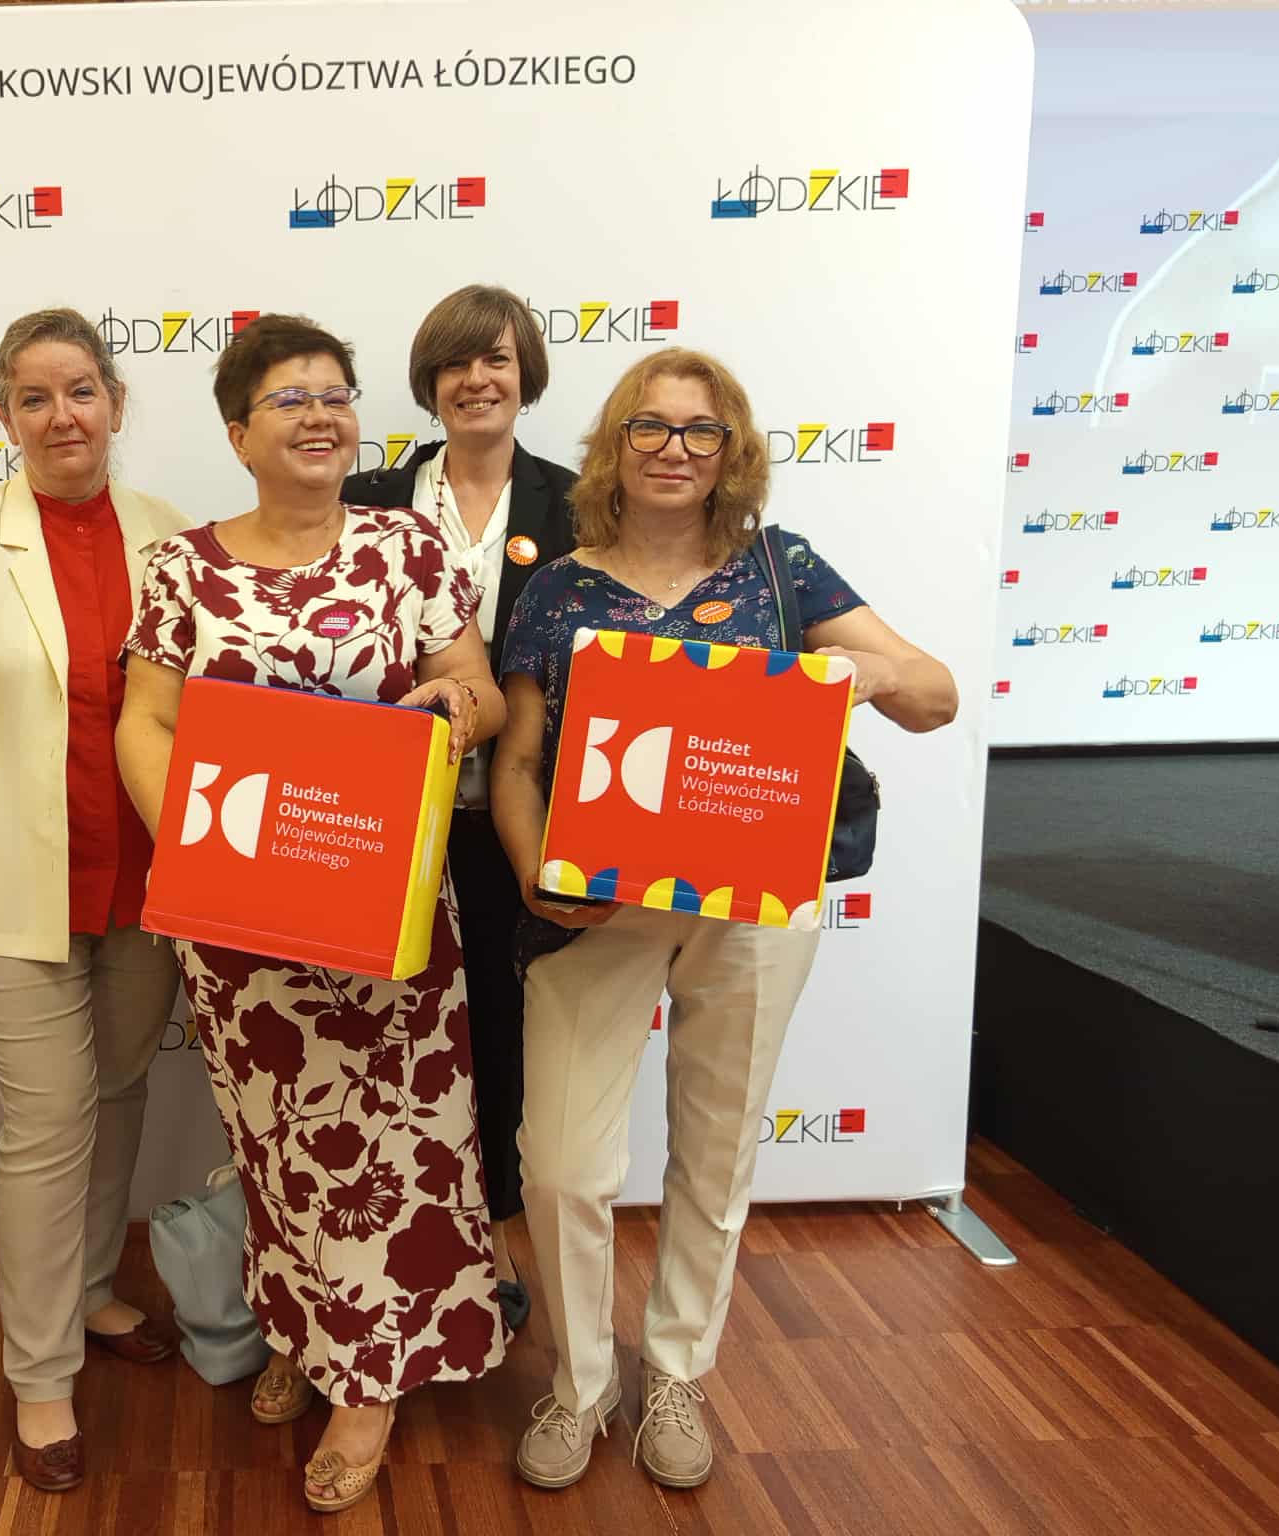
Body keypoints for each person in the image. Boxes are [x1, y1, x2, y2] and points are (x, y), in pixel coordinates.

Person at [489, 346, 958, 1493]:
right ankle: (579, 1382)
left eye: (699, 430)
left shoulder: (780, 570)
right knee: (560, 1166)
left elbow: (934, 696)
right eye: (648, 427)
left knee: (715, 1145)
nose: (673, 449)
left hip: (749, 906)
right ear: (612, 446)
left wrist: (859, 676)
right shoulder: (555, 588)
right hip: (595, 907)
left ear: (730, 451)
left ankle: (675, 1370)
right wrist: (530, 870)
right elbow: (517, 761)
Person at [117, 314, 508, 1515]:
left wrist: (452, 707)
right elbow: (145, 722)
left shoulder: (404, 549)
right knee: (279, 1149)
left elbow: (479, 690)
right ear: (238, 434)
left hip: (388, 920)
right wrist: (199, 857)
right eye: (289, 399)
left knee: (393, 1148)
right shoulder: (181, 568)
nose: (319, 415)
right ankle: (300, 1326)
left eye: (335, 395)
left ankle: (368, 1382)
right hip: (239, 930)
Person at [0, 308, 188, 1495]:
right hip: (13, 890)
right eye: (34, 397)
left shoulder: (173, 535)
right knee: (47, 1125)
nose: (60, 416)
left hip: (149, 883)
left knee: (117, 1095)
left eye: (79, 391)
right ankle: (39, 1376)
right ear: (3, 416)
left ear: (114, 401)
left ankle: (91, 1291)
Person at [342, 283, 576, 1330]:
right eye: (454, 363)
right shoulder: (365, 497)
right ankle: (381, 1270)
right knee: (382, 1051)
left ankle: (496, 1265)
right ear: (427, 382)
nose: (475, 380)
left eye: (496, 360)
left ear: (526, 374)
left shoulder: (580, 504)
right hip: (386, 827)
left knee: (506, 1055)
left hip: (519, 827)